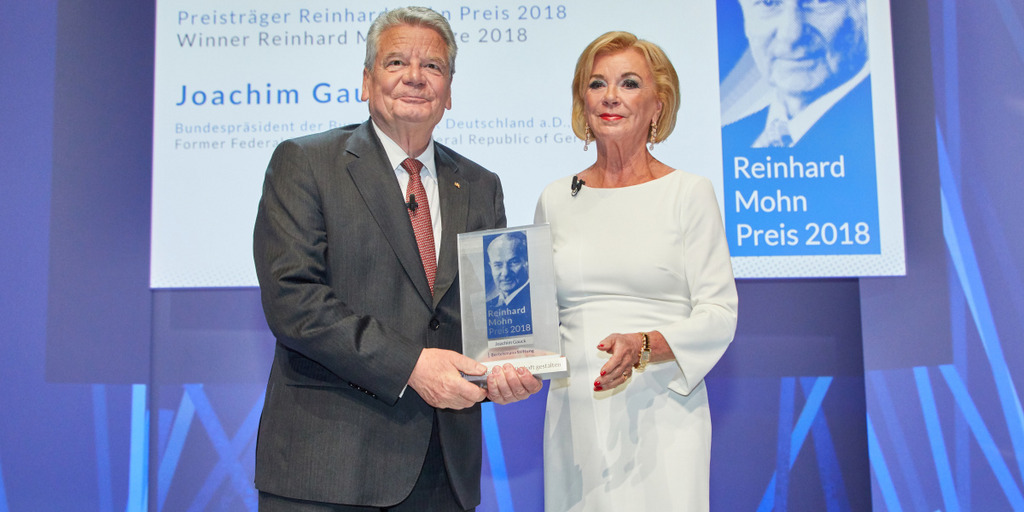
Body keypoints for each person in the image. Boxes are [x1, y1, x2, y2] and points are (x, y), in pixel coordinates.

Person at [252, 7, 541, 512]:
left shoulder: (479, 184)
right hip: (330, 468)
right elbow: (294, 300)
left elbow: (490, 317)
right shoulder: (306, 162)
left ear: (450, 92)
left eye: (433, 66)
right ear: (366, 81)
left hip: (442, 472)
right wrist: (410, 365)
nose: (414, 77)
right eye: (395, 63)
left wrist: (504, 372)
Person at [535, 31, 739, 511]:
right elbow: (537, 317)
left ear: (658, 105)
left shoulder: (689, 193)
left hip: (662, 406)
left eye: (628, 83)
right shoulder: (554, 198)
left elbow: (719, 314)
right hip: (575, 410)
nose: (610, 97)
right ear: (581, 102)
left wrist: (645, 345)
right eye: (596, 84)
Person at [724, 0, 870, 147]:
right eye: (768, 3)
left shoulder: (872, 136)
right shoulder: (728, 139)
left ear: (864, 9)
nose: (792, 35)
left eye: (820, 2)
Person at [484, 232, 530, 310]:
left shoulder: (535, 301)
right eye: (498, 265)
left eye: (513, 262)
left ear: (526, 262)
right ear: (491, 267)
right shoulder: (488, 306)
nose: (505, 273)